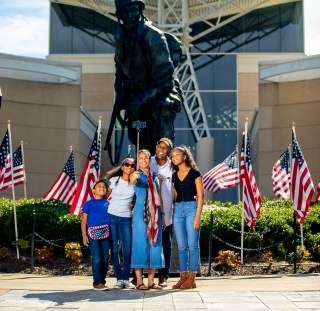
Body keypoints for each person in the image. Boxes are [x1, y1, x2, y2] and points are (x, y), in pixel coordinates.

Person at [105, 0, 183, 157]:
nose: (130, 15)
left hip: (160, 95)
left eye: (133, 10)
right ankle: (143, 169)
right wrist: (120, 96)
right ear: (120, 15)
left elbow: (165, 81)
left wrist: (141, 99)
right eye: (125, 12)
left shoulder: (154, 37)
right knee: (138, 135)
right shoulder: (121, 38)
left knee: (161, 140)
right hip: (137, 99)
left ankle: (165, 170)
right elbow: (120, 70)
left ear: (140, 10)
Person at [130, 149, 166, 289]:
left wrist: (162, 215)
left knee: (155, 245)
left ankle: (151, 281)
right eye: (141, 158)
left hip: (155, 213)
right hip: (140, 213)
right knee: (140, 244)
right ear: (138, 160)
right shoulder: (136, 175)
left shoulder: (156, 176)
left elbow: (159, 197)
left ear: (150, 160)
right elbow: (132, 183)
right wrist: (133, 178)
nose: (144, 160)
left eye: (146, 158)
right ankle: (139, 281)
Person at [170, 146, 204, 289]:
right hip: (177, 210)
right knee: (182, 246)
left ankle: (192, 278)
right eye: (172, 156)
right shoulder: (174, 175)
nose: (174, 157)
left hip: (192, 209)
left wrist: (197, 217)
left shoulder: (195, 173)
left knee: (192, 245)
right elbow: (174, 196)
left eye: (177, 155)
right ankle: (183, 277)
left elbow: (201, 196)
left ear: (185, 156)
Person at [106, 158, 136, 289]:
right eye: (126, 164)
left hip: (125, 218)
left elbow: (140, 198)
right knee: (114, 248)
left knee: (127, 249)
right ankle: (119, 279)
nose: (129, 167)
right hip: (112, 217)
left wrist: (133, 205)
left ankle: (126, 278)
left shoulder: (135, 183)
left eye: (132, 165)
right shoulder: (113, 181)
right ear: (122, 167)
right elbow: (104, 197)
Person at [150, 137, 174, 287]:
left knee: (166, 243)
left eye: (165, 148)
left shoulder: (172, 166)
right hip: (150, 209)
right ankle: (140, 276)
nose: (161, 150)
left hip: (167, 210)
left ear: (169, 151)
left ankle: (163, 276)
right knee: (148, 242)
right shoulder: (148, 161)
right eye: (159, 146)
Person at [81, 179, 111, 290]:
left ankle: (102, 281)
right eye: (99, 187)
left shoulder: (108, 203)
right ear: (93, 191)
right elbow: (84, 221)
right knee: (97, 258)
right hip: (92, 233)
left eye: (104, 187)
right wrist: (84, 235)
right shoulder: (89, 204)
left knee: (105, 258)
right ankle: (97, 282)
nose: (102, 188)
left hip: (106, 233)